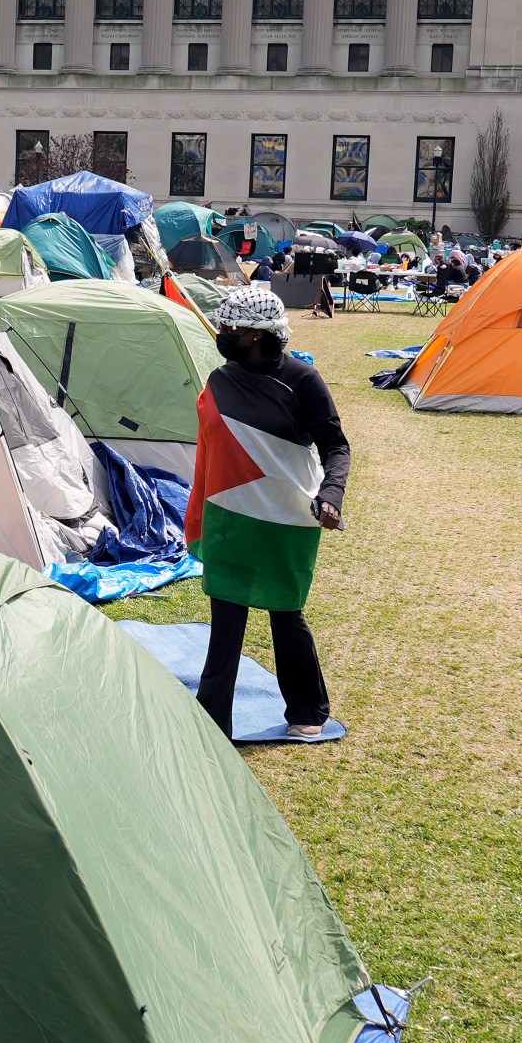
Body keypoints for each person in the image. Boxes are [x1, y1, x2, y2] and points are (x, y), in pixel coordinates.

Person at [185, 287, 350, 739]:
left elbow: (335, 446)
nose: (223, 334)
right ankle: (213, 720)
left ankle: (309, 710)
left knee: (286, 612)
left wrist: (332, 492)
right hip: (230, 513)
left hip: (287, 516)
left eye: (230, 328)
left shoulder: (302, 380)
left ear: (257, 335)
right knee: (227, 616)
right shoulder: (221, 379)